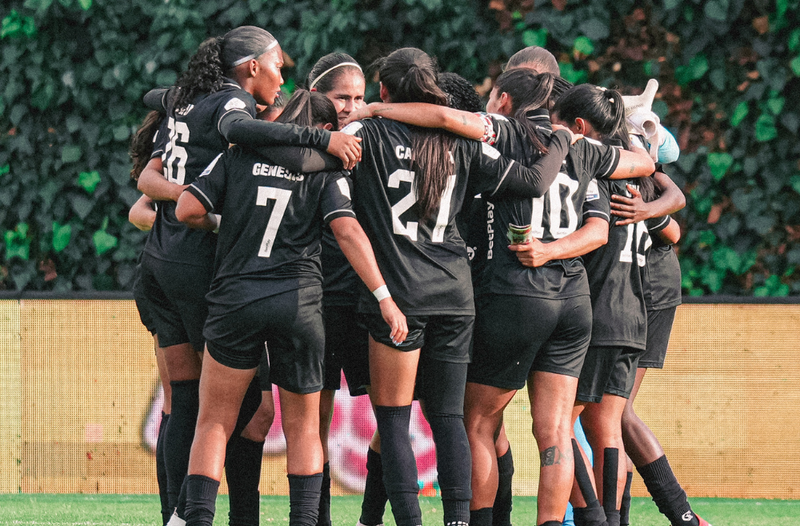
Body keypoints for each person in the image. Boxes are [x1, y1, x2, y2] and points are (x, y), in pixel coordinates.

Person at [347, 67, 654, 526]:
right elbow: (641, 169)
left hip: (515, 296)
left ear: (506, 100)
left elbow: (445, 119)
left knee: (477, 424)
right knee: (554, 433)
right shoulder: (582, 146)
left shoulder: (504, 132)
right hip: (573, 300)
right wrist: (634, 129)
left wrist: (377, 109)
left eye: (492, 95)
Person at [136, 26, 357, 526]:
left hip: (160, 261)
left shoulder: (187, 103)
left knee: (188, 402)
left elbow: (144, 191)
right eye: (278, 63)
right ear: (252, 66)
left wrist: (180, 198)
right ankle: (229, 516)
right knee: (243, 413)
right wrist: (320, 138)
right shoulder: (237, 116)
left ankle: (180, 516)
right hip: (209, 271)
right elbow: (238, 131)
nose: (283, 76)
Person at [174, 89, 407, 526]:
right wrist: (385, 297)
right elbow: (348, 232)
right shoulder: (326, 170)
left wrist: (229, 223)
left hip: (235, 299)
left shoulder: (237, 155)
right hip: (298, 302)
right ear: (321, 132)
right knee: (302, 426)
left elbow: (187, 208)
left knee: (214, 423)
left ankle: (198, 519)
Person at [549, 84, 679, 526]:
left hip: (598, 313)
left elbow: (592, 237)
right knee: (605, 428)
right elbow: (675, 224)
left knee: (558, 425)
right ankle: (612, 520)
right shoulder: (640, 185)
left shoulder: (593, 176)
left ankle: (591, 518)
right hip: (632, 317)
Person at [129, 109, 172, 525]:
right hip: (171, 284)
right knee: (178, 403)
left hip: (214, 288)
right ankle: (173, 513)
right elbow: (138, 211)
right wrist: (182, 221)